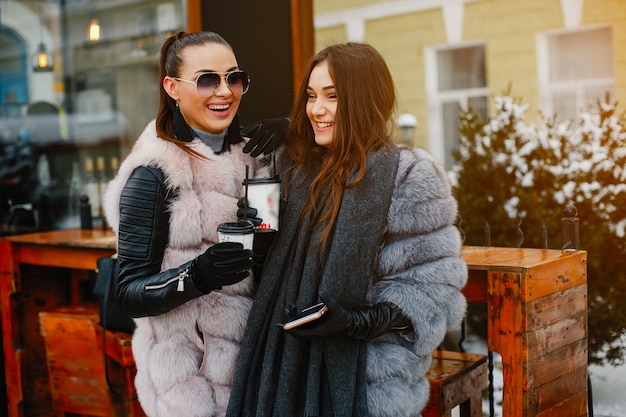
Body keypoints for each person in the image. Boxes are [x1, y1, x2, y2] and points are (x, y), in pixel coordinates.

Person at [226, 42, 468, 417]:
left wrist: (357, 323)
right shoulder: (291, 168)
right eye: (310, 96)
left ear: (365, 99)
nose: (316, 109)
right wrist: (261, 240)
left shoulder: (407, 176)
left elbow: (432, 288)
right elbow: (266, 280)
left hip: (365, 378)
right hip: (276, 371)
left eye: (332, 96)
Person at [103, 31, 276, 417]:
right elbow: (129, 292)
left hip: (255, 372)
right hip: (190, 385)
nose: (225, 91)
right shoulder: (154, 173)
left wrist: (293, 130)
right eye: (207, 80)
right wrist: (197, 274)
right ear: (173, 88)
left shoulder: (253, 160)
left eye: (234, 78)